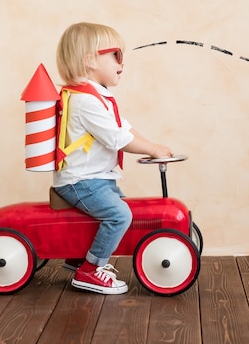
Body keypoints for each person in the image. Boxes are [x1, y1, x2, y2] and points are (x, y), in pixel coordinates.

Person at [53, 22, 173, 295]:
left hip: (97, 179)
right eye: (116, 55)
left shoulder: (99, 97)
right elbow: (117, 139)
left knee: (118, 209)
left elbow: (125, 128)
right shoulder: (86, 101)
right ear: (89, 60)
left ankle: (80, 257)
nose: (122, 63)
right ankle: (90, 270)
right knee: (119, 215)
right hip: (81, 181)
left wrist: (154, 146)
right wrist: (151, 150)